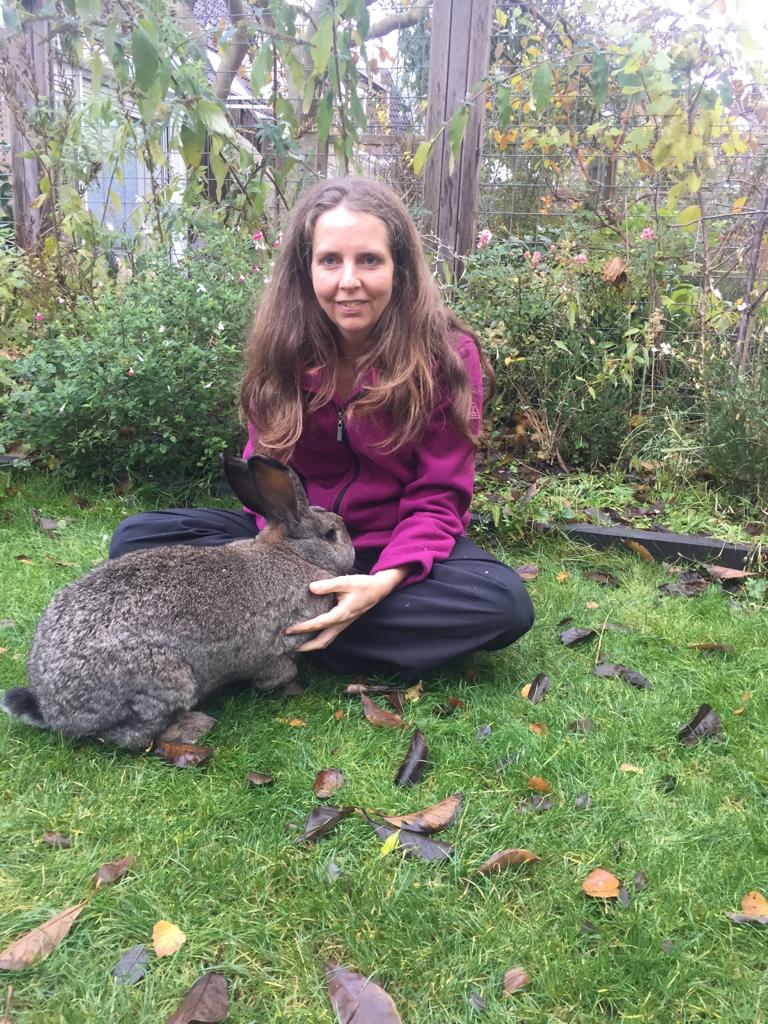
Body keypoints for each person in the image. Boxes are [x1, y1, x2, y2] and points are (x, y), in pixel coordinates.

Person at [109, 177, 534, 682]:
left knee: (502, 603)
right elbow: (263, 471)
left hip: (388, 548)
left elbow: (440, 498)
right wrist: (270, 558)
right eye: (330, 260)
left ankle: (264, 642)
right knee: (138, 539)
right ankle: (289, 637)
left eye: (369, 260)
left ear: (398, 268)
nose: (348, 280)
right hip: (293, 546)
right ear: (306, 268)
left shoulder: (446, 355)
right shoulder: (282, 348)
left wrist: (381, 582)